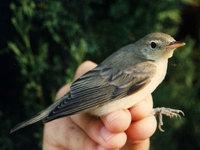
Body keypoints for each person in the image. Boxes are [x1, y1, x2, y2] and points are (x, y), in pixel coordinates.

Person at [43, 61, 157, 150]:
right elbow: (107, 91)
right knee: (119, 123)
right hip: (93, 95)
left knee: (125, 122)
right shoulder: (146, 69)